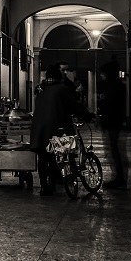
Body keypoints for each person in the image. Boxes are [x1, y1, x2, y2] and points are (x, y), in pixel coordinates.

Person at [30, 63, 93, 195]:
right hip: (56, 129)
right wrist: (87, 116)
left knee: (43, 157)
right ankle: (56, 181)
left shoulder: (41, 90)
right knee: (59, 153)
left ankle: (44, 186)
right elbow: (74, 106)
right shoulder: (61, 89)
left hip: (39, 130)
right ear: (59, 76)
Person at [97, 61, 129, 189]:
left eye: (104, 74)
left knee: (114, 149)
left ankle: (119, 178)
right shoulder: (119, 86)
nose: (102, 76)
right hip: (115, 122)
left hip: (112, 122)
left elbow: (109, 105)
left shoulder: (112, 87)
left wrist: (102, 118)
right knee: (115, 149)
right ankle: (120, 177)